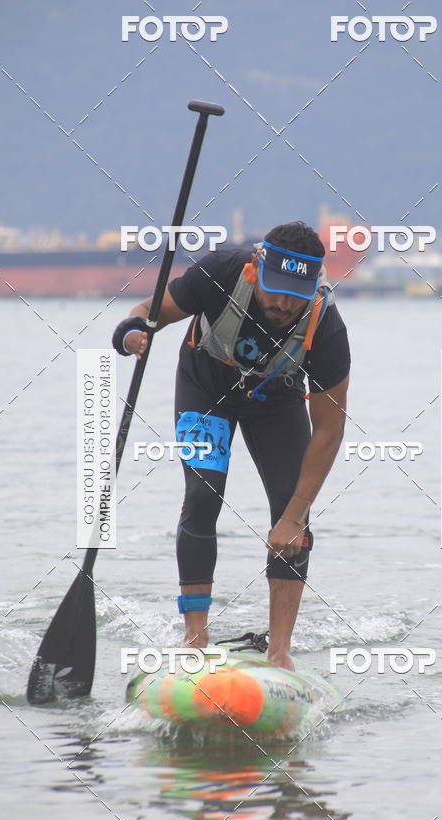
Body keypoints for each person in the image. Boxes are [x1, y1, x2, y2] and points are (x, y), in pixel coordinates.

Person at [112, 220, 350, 670]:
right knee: (203, 496)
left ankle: (280, 652)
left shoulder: (328, 327)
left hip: (275, 399)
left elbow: (329, 430)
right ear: (256, 270)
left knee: (289, 514)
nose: (283, 303)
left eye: (295, 294)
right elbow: (149, 311)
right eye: (275, 288)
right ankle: (195, 639)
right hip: (205, 387)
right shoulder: (220, 272)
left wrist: (296, 515)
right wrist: (130, 334)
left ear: (314, 284)